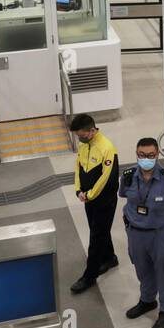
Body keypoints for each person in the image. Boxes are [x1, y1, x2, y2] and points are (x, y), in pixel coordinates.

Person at [120, 137, 164, 328]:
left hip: (159, 234)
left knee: (163, 271)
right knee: (142, 269)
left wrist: (158, 219)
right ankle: (147, 301)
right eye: (142, 155)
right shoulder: (128, 176)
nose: (146, 159)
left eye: (150, 155)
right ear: (137, 154)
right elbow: (123, 196)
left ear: (158, 155)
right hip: (136, 233)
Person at [69, 113, 120, 294]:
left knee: (96, 237)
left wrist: (89, 195)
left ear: (92, 130)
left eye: (81, 135)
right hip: (88, 199)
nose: (79, 138)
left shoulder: (107, 149)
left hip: (104, 201)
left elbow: (106, 179)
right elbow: (78, 167)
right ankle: (110, 258)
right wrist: (78, 190)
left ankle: (89, 276)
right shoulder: (85, 146)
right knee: (98, 230)